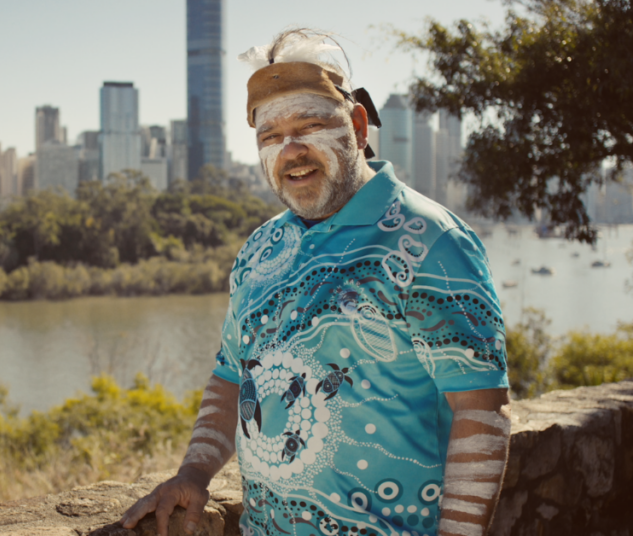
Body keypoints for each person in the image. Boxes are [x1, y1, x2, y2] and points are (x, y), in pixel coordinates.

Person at [121, 29, 511, 536]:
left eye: (310, 125)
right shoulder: (260, 250)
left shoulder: (430, 241)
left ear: (357, 125)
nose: (292, 150)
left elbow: (481, 412)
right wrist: (194, 473)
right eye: (270, 137)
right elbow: (232, 376)